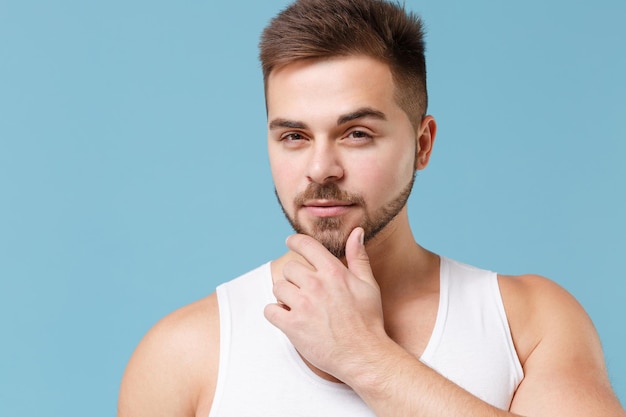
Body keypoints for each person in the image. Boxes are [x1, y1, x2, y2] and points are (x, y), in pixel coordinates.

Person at [118, 0, 625, 416]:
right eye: (294, 136)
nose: (320, 169)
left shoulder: (529, 322)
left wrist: (365, 356)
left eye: (356, 134)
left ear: (422, 144)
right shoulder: (184, 354)